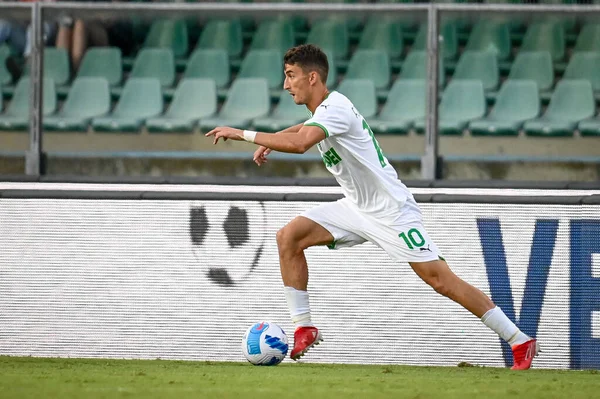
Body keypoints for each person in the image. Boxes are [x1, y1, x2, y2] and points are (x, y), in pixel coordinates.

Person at [206, 44, 540, 370]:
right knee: (289, 237)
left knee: (440, 280)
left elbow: (300, 142)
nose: (285, 84)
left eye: (291, 75)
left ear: (312, 78)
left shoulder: (334, 108)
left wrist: (244, 134)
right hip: (356, 208)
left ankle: (518, 339)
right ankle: (303, 326)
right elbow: (299, 131)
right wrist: (273, 141)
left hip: (391, 211)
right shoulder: (323, 111)